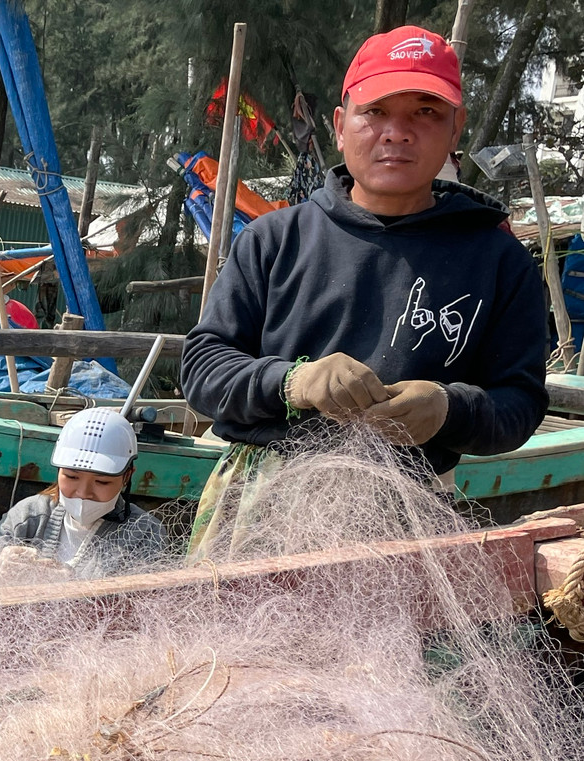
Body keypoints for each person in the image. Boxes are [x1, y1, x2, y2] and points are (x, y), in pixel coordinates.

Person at [180, 25, 548, 557]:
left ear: (455, 129)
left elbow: (520, 403)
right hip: (256, 506)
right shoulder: (273, 239)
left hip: (409, 514)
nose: (396, 132)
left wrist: (448, 408)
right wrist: (294, 381)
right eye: (375, 110)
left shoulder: (500, 261)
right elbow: (203, 370)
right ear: (339, 125)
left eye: (425, 111)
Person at [0, 407, 165, 574]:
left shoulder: (145, 533)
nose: (83, 493)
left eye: (102, 482)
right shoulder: (27, 517)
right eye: (72, 477)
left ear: (126, 476)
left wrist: (70, 582)